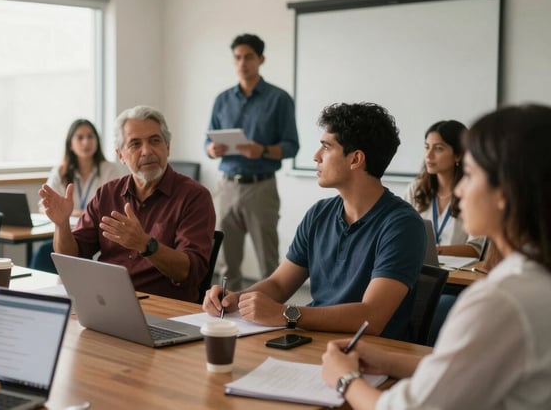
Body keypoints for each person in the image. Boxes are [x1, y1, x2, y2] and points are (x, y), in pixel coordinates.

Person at [321, 104, 551, 410]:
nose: (459, 192)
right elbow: (469, 367)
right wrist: (386, 359)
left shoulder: (502, 300)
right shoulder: (534, 280)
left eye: (469, 175)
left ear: (505, 192)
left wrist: (345, 378)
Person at [204, 102, 424, 340]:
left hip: (368, 354)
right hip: (315, 340)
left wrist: (288, 314)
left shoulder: (402, 225)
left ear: (355, 159)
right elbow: (279, 285)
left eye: (326, 148)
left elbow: (372, 317)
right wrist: (236, 299)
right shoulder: (320, 213)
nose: (316, 157)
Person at [40, 105, 215, 302]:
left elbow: (190, 272)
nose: (147, 151)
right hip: (107, 302)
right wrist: (62, 224)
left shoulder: (194, 196)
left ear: (167, 147)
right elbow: (71, 259)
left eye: (155, 141)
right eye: (135, 144)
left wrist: (145, 244)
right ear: (121, 155)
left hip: (165, 309)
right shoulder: (107, 194)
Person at [205, 33, 299, 291]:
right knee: (226, 262)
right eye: (237, 57)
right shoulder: (222, 100)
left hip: (261, 187)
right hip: (226, 186)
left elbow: (292, 146)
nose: (242, 63)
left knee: (268, 262)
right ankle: (226, 314)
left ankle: (270, 315)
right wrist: (212, 149)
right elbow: (207, 143)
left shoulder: (279, 99)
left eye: (248, 57)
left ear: (261, 59)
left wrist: (263, 151)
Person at [30, 118, 127, 271]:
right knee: (44, 252)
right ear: (70, 143)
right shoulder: (61, 171)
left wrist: (78, 214)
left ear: (97, 141)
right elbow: (44, 206)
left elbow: (113, 209)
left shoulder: (109, 169)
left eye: (90, 137)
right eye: (80, 137)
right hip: (66, 231)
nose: (86, 142)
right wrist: (71, 214)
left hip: (95, 234)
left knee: (47, 251)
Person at [404, 120, 486, 257]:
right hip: (419, 272)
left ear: (458, 155)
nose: (428, 155)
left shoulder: (473, 192)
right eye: (427, 147)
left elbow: (476, 249)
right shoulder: (415, 189)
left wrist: (433, 251)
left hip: (459, 276)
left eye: (438, 148)